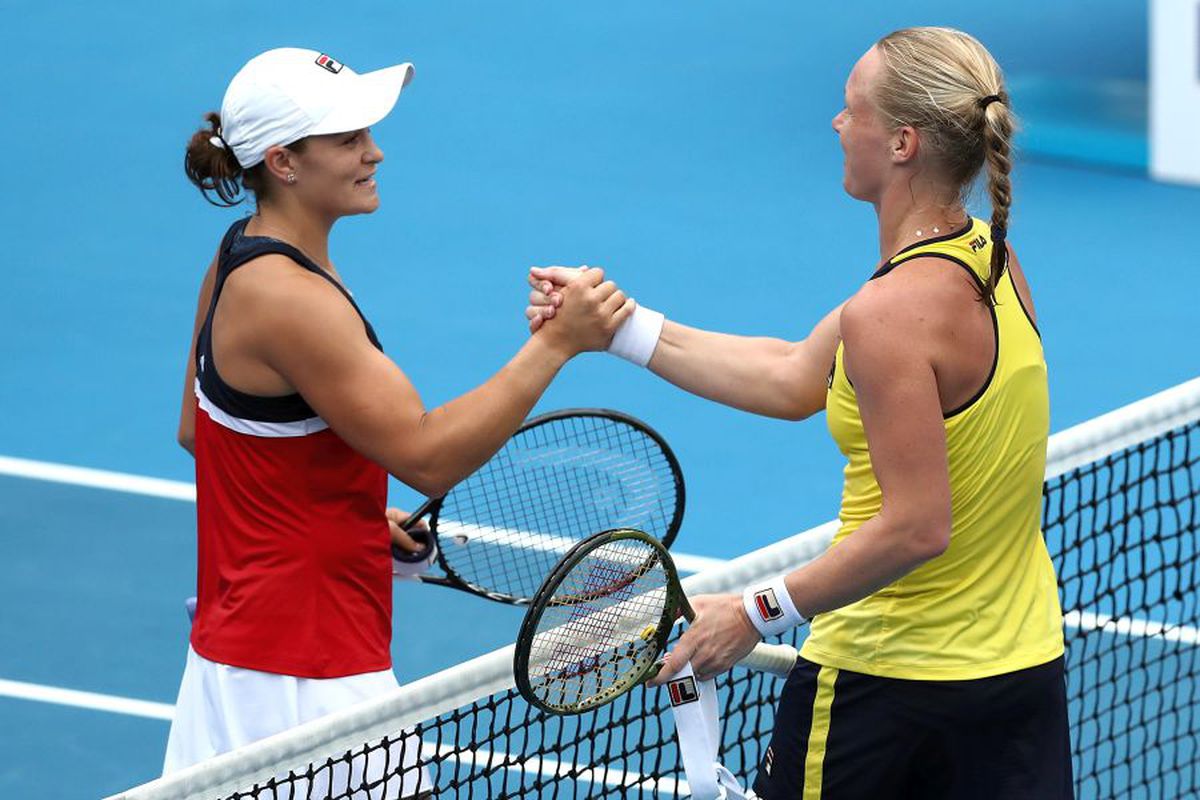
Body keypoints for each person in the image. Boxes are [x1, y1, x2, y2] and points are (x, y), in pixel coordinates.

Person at [527, 27, 1071, 799]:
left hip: (887, 690)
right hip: (1020, 675)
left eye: (853, 112)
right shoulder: (991, 257)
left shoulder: (890, 313)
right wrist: (619, 327)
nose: (837, 125)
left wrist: (755, 611)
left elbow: (918, 526)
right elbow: (792, 376)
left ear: (903, 144)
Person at [172, 47, 631, 795]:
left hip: (234, 663)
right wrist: (557, 344)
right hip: (307, 686)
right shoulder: (292, 300)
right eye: (347, 138)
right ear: (284, 162)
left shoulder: (237, 257)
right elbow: (426, 455)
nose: (373, 151)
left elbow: (204, 429)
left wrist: (338, 511)